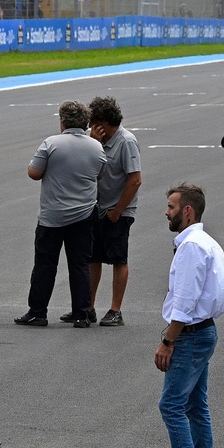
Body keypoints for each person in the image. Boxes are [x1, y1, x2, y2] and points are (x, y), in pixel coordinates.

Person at [146, 184, 224, 448]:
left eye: (170, 206)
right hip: (204, 331)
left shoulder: (192, 247)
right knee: (196, 406)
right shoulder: (205, 242)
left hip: (190, 335)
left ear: (187, 211)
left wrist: (168, 340)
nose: (166, 212)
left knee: (171, 405)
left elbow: (184, 299)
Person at [15, 101, 107, 328]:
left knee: (45, 264)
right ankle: (81, 314)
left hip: (52, 215)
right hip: (84, 214)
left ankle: (38, 312)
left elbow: (34, 173)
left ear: (63, 122)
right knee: (80, 265)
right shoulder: (96, 146)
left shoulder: (51, 143)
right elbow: (101, 175)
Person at [61, 96, 141, 327]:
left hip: (118, 210)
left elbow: (135, 180)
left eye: (93, 123)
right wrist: (93, 144)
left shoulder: (126, 142)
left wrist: (117, 210)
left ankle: (116, 310)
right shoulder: (95, 141)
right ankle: (88, 306)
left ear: (103, 123)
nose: (89, 129)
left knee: (118, 258)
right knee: (92, 258)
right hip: (95, 207)